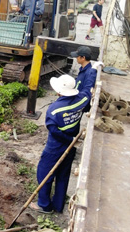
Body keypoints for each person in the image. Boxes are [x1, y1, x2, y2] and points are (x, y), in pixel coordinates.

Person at [29, 75, 91, 214]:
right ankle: (58, 205)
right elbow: (87, 90)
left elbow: (53, 130)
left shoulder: (54, 109)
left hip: (56, 146)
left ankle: (44, 205)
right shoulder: (82, 99)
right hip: (71, 143)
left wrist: (69, 141)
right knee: (63, 175)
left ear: (59, 91)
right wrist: (92, 70)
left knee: (44, 173)